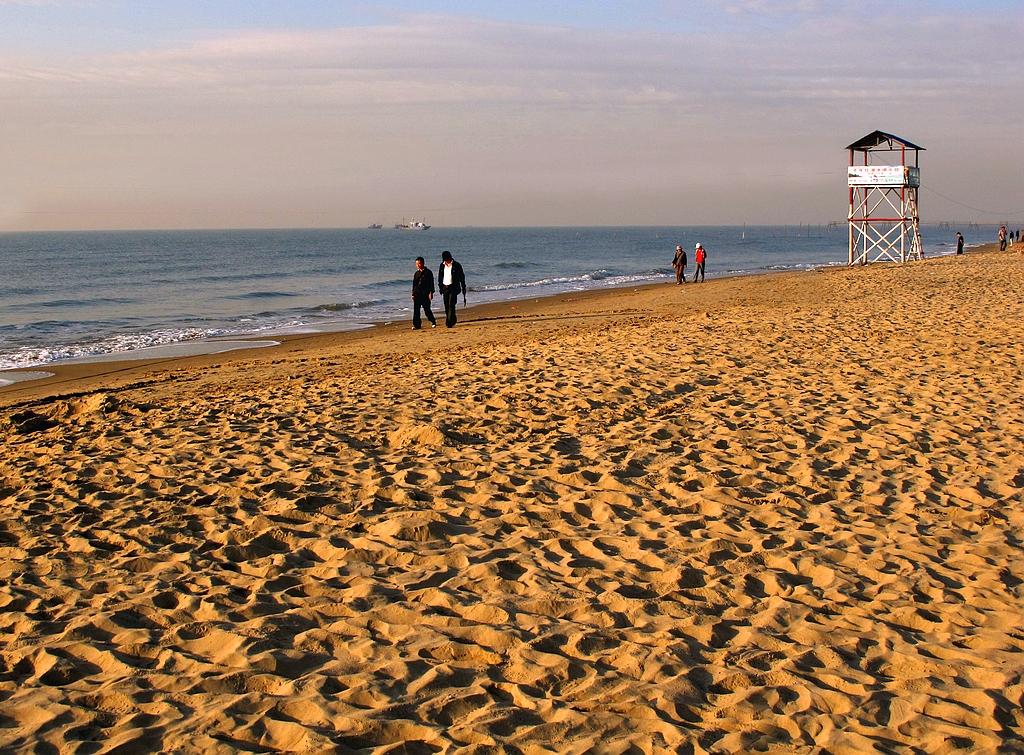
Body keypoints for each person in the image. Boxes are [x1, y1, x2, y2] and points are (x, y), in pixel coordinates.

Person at [438, 250, 466, 328]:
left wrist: (463, 287)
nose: (447, 261)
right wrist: (440, 287)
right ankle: (452, 319)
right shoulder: (442, 265)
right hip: (445, 287)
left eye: (447, 259)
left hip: (453, 287)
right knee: (446, 305)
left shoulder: (456, 265)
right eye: (445, 259)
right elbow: (440, 277)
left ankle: (449, 323)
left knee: (451, 305)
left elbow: (462, 277)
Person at [411, 256, 437, 330]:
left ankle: (433, 321)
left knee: (427, 309)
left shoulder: (428, 272)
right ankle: (417, 325)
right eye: (416, 264)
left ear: (422, 263)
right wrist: (413, 294)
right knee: (416, 310)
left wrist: (431, 293)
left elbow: (431, 283)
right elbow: (414, 284)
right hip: (417, 294)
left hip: (425, 294)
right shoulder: (416, 273)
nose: (417, 265)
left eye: (419, 263)